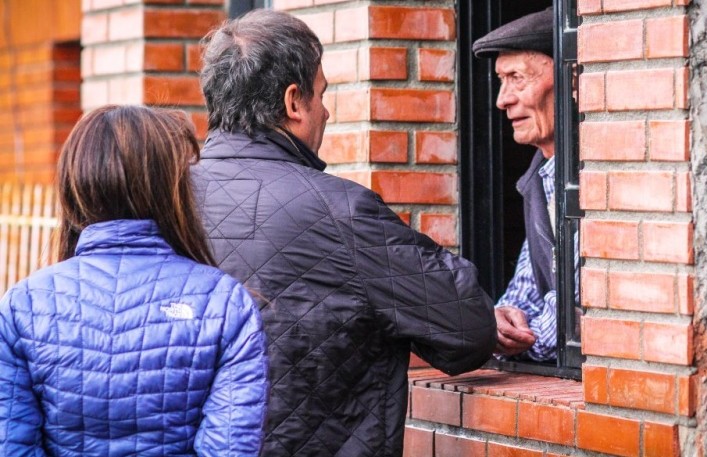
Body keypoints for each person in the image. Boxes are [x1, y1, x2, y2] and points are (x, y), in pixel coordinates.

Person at [194, 9, 496, 457]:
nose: (328, 111)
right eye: (322, 94)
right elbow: (468, 329)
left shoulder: (159, 200)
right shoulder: (340, 212)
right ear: (294, 102)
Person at [0, 105, 269, 456]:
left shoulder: (23, 307)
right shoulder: (224, 303)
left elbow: (12, 446)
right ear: (170, 189)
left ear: (74, 183)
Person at [472, 7, 572, 362]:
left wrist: (518, 339)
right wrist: (502, 321)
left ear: (570, 79)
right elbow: (526, 289)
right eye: (502, 81)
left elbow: (577, 313)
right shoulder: (542, 177)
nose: (503, 99)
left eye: (517, 78)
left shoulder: (598, 177)